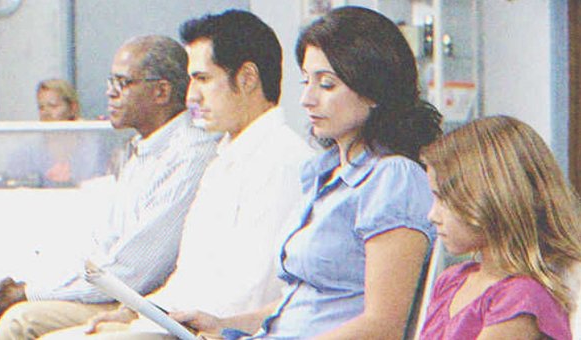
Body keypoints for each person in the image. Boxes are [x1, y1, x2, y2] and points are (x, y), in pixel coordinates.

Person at [169, 6, 442, 339]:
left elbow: (381, 326)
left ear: (373, 91)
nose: (307, 99)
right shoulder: (324, 174)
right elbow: (297, 308)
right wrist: (223, 324)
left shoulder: (393, 178)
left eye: (326, 85)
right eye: (306, 81)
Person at [39, 9, 313, 340]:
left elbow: (244, 295)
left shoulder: (283, 162)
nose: (191, 96)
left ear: (247, 78)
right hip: (181, 323)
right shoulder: (224, 157)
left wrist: (145, 325)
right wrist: (132, 316)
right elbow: (188, 279)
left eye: (203, 79)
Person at [0, 35, 219, 340]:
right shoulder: (140, 150)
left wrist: (28, 293)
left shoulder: (188, 154)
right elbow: (95, 247)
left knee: (17, 322)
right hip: (111, 290)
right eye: (110, 81)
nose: (109, 93)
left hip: (140, 303)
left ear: (161, 91)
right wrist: (22, 286)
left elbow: (131, 273)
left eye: (121, 83)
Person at [419, 116, 581, 340]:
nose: (432, 215)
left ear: (493, 199)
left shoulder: (521, 296)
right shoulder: (451, 280)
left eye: (443, 199)